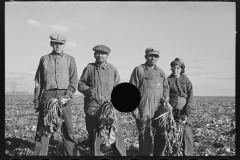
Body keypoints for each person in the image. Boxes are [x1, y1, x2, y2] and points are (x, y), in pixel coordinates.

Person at [33, 33, 79, 156]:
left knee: (68, 129)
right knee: (43, 129)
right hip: (47, 97)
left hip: (64, 96)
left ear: (64, 45)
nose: (57, 46)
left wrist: (68, 95)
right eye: (55, 43)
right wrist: (37, 100)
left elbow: (74, 80)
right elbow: (38, 82)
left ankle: (71, 155)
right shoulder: (44, 59)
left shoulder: (70, 59)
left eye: (60, 44)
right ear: (51, 44)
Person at [78, 45, 126, 156]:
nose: (100, 55)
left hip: (109, 108)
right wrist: (88, 90)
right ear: (94, 55)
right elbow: (80, 84)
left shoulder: (112, 69)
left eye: (103, 54)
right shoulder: (89, 68)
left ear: (107, 56)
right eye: (98, 53)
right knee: (95, 135)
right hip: (93, 107)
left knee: (116, 132)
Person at [129, 47, 169, 156]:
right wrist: (134, 108)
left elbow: (166, 88)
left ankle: (159, 154)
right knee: (145, 133)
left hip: (159, 108)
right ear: (146, 56)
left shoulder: (161, 72)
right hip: (144, 107)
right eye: (150, 55)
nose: (153, 58)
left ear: (158, 58)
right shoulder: (139, 70)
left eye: (155, 56)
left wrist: (166, 97)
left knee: (160, 132)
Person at [167, 57, 194, 156]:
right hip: (171, 112)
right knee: (171, 133)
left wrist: (187, 112)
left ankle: (188, 154)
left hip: (184, 111)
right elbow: (165, 95)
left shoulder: (186, 80)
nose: (175, 70)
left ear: (181, 69)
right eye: (173, 67)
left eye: (178, 68)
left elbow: (190, 96)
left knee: (186, 132)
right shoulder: (168, 80)